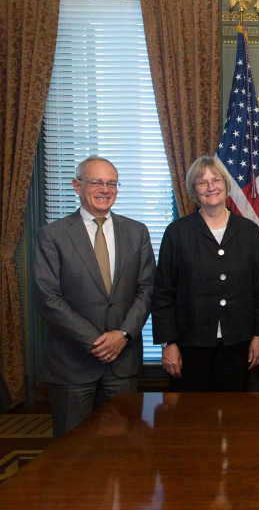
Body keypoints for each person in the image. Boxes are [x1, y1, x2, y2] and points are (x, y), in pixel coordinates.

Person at [34, 156, 155, 439]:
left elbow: (147, 289)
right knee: (72, 451)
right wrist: (95, 342)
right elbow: (47, 297)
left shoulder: (137, 232)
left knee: (121, 448)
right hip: (72, 363)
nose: (105, 189)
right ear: (77, 186)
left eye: (111, 183)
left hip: (122, 362)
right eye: (96, 182)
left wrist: (122, 335)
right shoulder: (52, 235)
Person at [152, 156, 259, 392]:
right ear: (193, 190)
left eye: (216, 180)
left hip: (238, 344)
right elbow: (163, 293)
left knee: (234, 416)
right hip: (189, 344)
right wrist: (168, 343)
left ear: (226, 184)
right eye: (202, 182)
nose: (211, 187)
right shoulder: (177, 232)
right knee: (191, 418)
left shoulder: (248, 231)